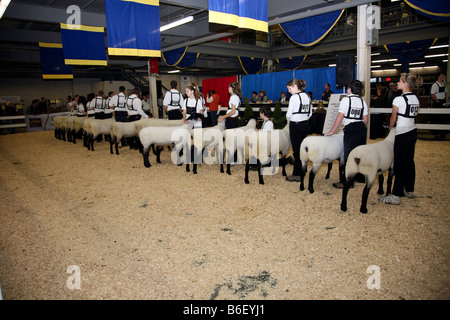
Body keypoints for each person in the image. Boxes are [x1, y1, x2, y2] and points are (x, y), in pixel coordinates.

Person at [379, 73, 423, 205]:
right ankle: (409, 189)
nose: (397, 83)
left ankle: (396, 195)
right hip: (412, 131)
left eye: (399, 81)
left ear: (405, 83)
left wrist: (389, 129)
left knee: (399, 163)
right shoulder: (415, 98)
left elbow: (393, 118)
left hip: (402, 133)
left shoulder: (398, 99)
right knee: (409, 161)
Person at [325, 80, 368, 188]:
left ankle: (348, 182)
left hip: (351, 129)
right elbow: (365, 119)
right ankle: (360, 177)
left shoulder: (346, 100)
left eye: (348, 88)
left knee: (349, 156)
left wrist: (332, 131)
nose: (347, 89)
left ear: (351, 89)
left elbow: (340, 117)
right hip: (362, 128)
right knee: (360, 154)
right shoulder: (363, 101)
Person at [285, 79, 312, 182]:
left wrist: (288, 121)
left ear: (295, 86)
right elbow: (310, 113)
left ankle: (297, 174)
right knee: (303, 149)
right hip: (305, 124)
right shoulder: (307, 96)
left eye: (289, 88)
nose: (289, 91)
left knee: (296, 150)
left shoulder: (294, 97)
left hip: (295, 125)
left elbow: (288, 114)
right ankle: (303, 170)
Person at [430, 73, 447, 140]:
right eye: (442, 75)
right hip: (437, 102)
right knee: (436, 118)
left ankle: (443, 133)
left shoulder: (444, 84)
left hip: (442, 101)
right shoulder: (435, 85)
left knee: (443, 118)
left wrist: (444, 100)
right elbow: (432, 94)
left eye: (444, 75)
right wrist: (437, 101)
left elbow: (445, 92)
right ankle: (435, 133)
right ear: (438, 77)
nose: (443, 76)